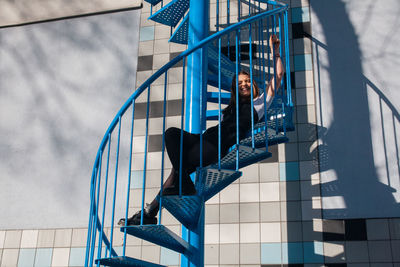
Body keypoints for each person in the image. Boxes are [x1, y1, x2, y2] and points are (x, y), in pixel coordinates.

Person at [118, 34, 284, 226]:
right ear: (235, 90)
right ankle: (156, 209)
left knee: (176, 173)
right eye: (239, 83)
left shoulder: (259, 104)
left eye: (247, 81)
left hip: (215, 147)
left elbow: (278, 76)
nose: (244, 85)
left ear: (253, 84)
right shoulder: (229, 109)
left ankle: (152, 210)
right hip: (204, 139)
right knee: (172, 137)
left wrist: (276, 52)